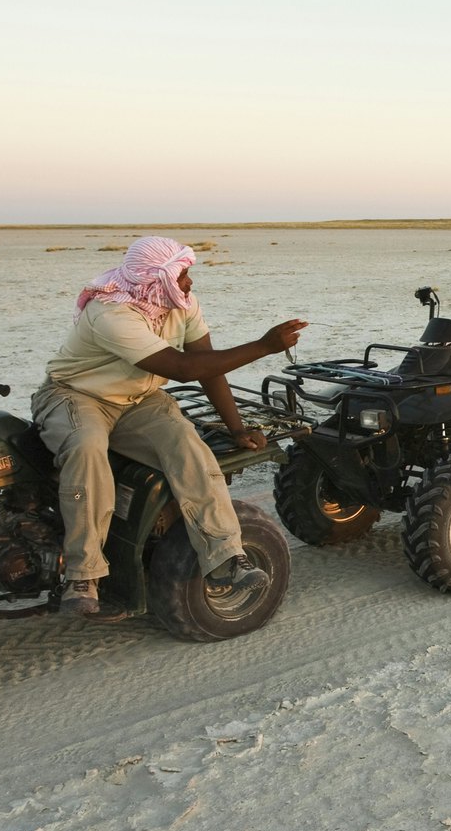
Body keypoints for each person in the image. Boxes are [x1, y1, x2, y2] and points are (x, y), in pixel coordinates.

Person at [34, 236, 307, 619]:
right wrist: (263, 346)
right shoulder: (112, 313)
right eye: (181, 276)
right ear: (153, 279)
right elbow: (183, 370)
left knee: (189, 447)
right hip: (78, 396)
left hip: (139, 400)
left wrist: (236, 428)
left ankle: (226, 556)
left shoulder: (182, 305)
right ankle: (84, 575)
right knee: (87, 448)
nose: (189, 284)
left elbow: (206, 365)